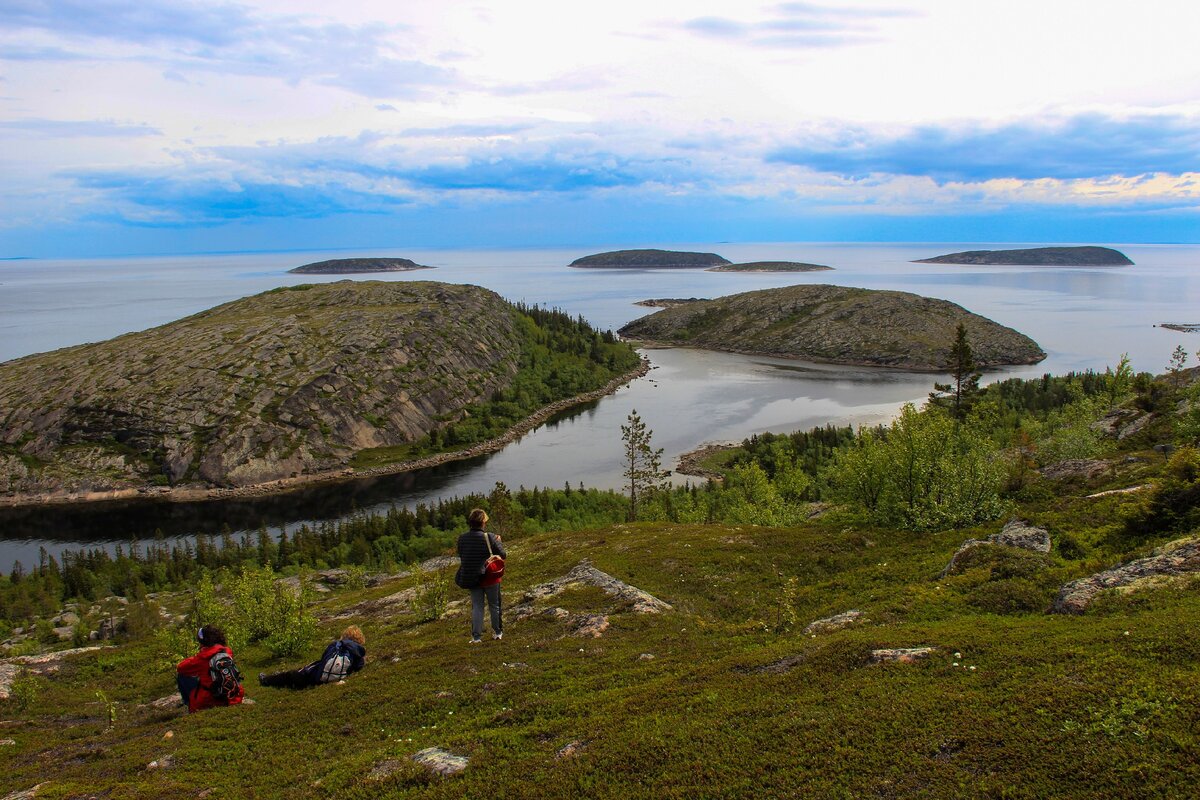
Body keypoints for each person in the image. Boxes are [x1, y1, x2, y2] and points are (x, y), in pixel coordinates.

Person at [257, 625, 367, 689]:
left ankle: (266, 680)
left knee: (289, 675)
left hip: (313, 678)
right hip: (331, 679)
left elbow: (324, 660)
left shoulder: (336, 645)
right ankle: (274, 677)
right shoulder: (359, 654)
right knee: (290, 676)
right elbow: (358, 667)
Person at [455, 508, 506, 644]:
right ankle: (497, 632)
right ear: (483, 522)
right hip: (490, 577)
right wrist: (498, 541)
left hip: (472, 577)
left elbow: (462, 555)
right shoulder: (489, 537)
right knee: (494, 605)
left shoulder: (462, 538)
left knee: (477, 606)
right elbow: (503, 554)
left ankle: (476, 637)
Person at [176, 624, 246, 713]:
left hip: (209, 700)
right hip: (232, 697)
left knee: (182, 676)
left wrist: (199, 655)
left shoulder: (202, 658)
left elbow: (181, 667)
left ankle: (188, 704)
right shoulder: (227, 652)